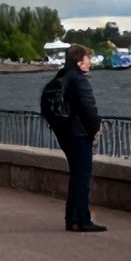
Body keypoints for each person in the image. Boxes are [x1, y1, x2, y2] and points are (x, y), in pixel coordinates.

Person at [41, 44, 105, 232]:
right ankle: (82, 219)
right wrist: (95, 128)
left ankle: (72, 218)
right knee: (83, 176)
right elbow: (88, 108)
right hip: (79, 133)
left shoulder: (61, 77)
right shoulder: (79, 80)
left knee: (76, 175)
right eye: (88, 59)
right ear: (80, 61)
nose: (90, 63)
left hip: (65, 132)